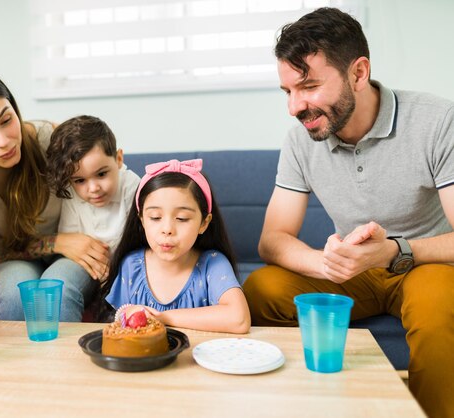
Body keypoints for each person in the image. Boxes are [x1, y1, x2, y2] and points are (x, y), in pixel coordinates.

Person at [242, 8, 454, 417]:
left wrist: (393, 251)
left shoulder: (438, 121)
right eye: (287, 91)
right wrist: (327, 264)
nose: (293, 106)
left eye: (308, 86)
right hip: (357, 274)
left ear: (358, 73)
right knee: (260, 290)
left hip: (429, 267)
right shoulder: (301, 140)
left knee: (438, 309)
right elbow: (273, 239)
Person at [0, 64, 110, 322]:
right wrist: (56, 241)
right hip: (15, 260)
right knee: (16, 291)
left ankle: (62, 363)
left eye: (7, 120)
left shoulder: (52, 141)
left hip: (77, 252)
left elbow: (112, 176)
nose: (4, 141)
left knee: (55, 289)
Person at [101, 159, 251, 333]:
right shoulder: (131, 265)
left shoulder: (213, 264)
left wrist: (164, 318)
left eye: (181, 218)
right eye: (155, 217)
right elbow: (120, 321)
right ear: (141, 220)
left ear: (204, 223)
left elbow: (239, 320)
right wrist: (126, 313)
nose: (167, 230)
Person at [45, 115, 140, 263]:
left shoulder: (131, 186)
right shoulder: (71, 193)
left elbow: (142, 243)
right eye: (80, 180)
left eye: (101, 174)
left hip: (128, 262)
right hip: (86, 263)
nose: (94, 188)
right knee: (62, 271)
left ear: (119, 159)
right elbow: (71, 241)